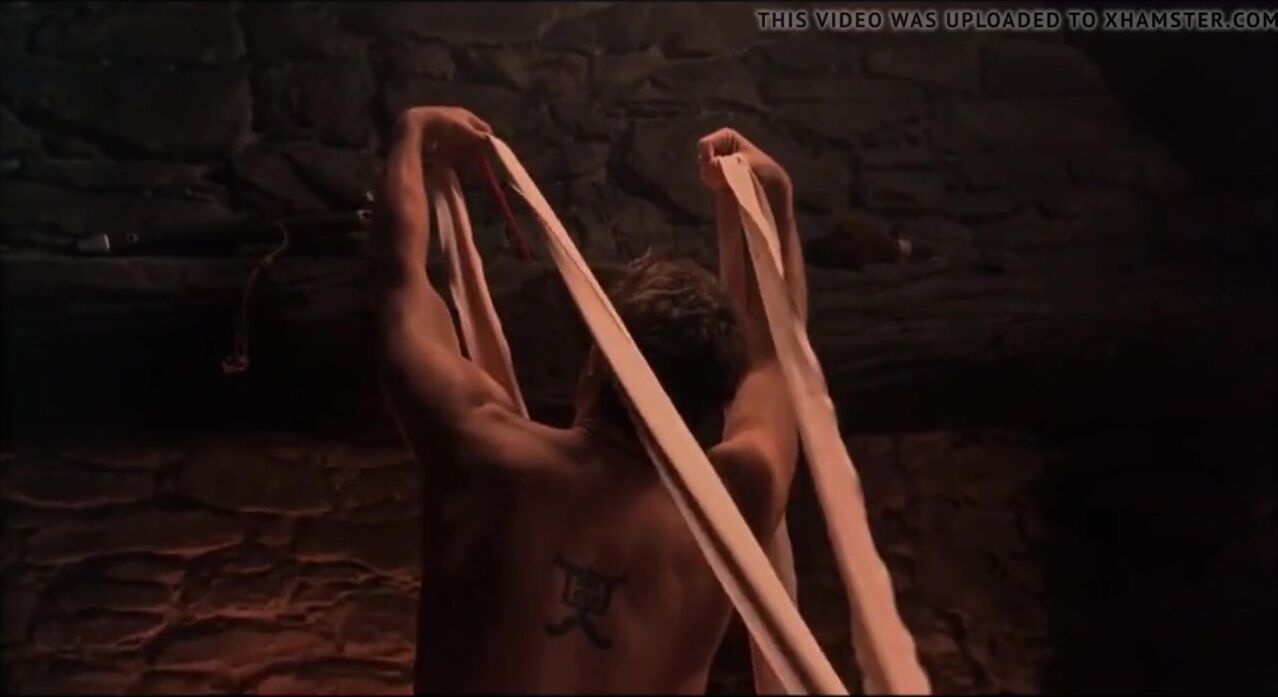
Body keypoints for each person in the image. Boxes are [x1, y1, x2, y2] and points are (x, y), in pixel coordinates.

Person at [369, 105, 811, 693]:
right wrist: (772, 200)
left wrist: (414, 131)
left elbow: (398, 281)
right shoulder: (734, 506)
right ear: (715, 400)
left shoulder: (483, 450)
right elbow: (775, 360)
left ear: (598, 363)